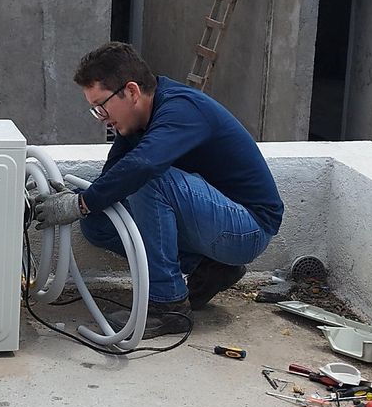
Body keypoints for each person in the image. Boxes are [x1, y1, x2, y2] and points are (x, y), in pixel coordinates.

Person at [32, 42, 284, 337]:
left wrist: (80, 204)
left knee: (149, 178)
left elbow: (143, 166)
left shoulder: (181, 109)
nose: (101, 116)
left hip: (248, 227)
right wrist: (78, 203)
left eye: (102, 105)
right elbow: (113, 176)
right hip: (213, 224)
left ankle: (169, 307)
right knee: (98, 224)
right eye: (94, 110)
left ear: (132, 91)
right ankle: (211, 267)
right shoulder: (135, 123)